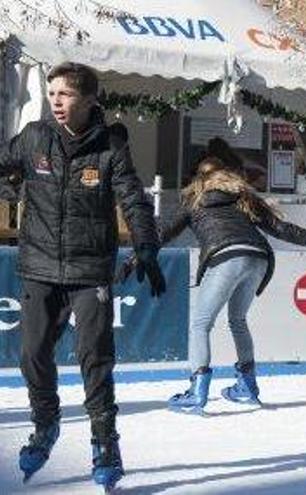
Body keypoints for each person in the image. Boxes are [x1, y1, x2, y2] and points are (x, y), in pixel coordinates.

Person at [0, 62, 165, 489]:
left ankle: (105, 440)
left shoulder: (110, 146)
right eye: (52, 93)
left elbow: (133, 197)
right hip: (38, 266)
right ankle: (46, 422)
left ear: (90, 100)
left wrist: (146, 246)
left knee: (94, 357)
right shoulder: (34, 138)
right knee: (32, 354)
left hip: (90, 268)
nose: (56, 101)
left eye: (66, 94)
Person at [148, 158, 306, 412]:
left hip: (227, 257)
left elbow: (164, 232)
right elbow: (281, 228)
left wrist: (139, 251)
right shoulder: (243, 196)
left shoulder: (194, 199)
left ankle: (197, 389)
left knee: (201, 324)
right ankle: (247, 384)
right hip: (258, 258)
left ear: (198, 179)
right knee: (238, 320)